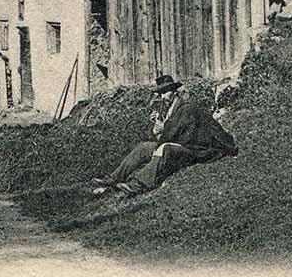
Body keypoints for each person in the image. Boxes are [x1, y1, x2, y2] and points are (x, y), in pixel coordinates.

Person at [93, 73, 237, 197]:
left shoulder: (185, 108)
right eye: (160, 93)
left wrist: (162, 129)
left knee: (166, 148)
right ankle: (114, 178)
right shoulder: (169, 108)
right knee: (143, 147)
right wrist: (158, 129)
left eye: (165, 92)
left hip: (193, 149)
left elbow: (174, 133)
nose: (162, 96)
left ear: (175, 91)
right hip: (178, 144)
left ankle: (138, 184)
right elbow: (168, 133)